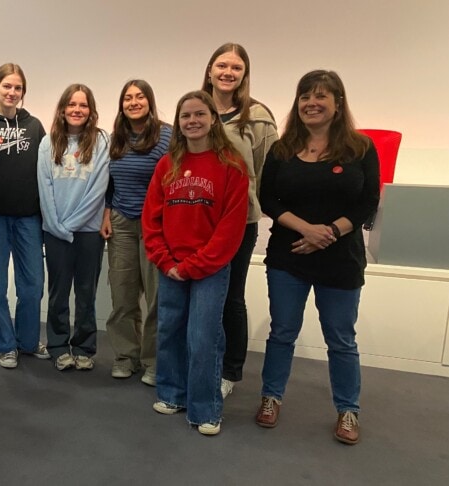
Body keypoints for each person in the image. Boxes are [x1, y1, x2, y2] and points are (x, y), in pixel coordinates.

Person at [255, 70, 379, 445]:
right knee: (282, 333)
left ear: (338, 103)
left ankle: (348, 410)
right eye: (305, 96)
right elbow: (268, 200)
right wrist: (307, 229)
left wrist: (329, 233)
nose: (311, 102)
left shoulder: (361, 148)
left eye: (321, 96)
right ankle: (271, 397)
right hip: (288, 256)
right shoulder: (281, 149)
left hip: (340, 259)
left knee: (341, 338)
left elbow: (367, 202)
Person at [142, 90, 248, 436]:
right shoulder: (167, 164)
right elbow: (151, 219)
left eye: (200, 114)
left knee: (203, 336)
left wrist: (192, 266)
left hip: (210, 269)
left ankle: (205, 408)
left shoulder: (231, 165)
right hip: (171, 265)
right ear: (178, 123)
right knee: (170, 330)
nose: (193, 121)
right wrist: (164, 259)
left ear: (213, 119)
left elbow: (230, 230)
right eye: (185, 116)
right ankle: (172, 394)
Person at [201, 43, 279, 399]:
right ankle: (201, 359)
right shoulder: (196, 109)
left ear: (244, 74)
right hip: (198, 218)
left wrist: (252, 206)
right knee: (202, 293)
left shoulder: (258, 117)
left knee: (231, 295)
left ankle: (230, 370)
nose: (228, 73)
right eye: (222, 65)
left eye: (236, 67)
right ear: (210, 70)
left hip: (240, 222)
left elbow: (269, 170)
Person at [100, 80, 172, 384]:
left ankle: (154, 361)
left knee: (157, 298)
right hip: (121, 224)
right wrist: (106, 213)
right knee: (123, 295)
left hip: (156, 225)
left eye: (139, 96)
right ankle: (125, 356)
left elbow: (174, 180)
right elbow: (109, 183)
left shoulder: (167, 135)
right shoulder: (116, 138)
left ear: (149, 101)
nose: (133, 102)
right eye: (127, 98)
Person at [0, 63, 50, 369]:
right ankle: (6, 345)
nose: (12, 92)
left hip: (28, 218)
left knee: (33, 284)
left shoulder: (34, 126)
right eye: (6, 86)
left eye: (18, 88)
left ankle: (28, 340)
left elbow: (47, 170)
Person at [37, 84, 110, 372]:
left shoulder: (101, 141)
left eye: (83, 105)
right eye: (72, 104)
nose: (77, 110)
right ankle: (57, 345)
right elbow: (44, 188)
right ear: (63, 109)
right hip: (55, 232)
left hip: (88, 232)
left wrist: (71, 225)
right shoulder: (48, 143)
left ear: (91, 111)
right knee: (57, 293)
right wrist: (57, 226)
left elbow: (98, 189)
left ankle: (83, 346)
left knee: (85, 292)